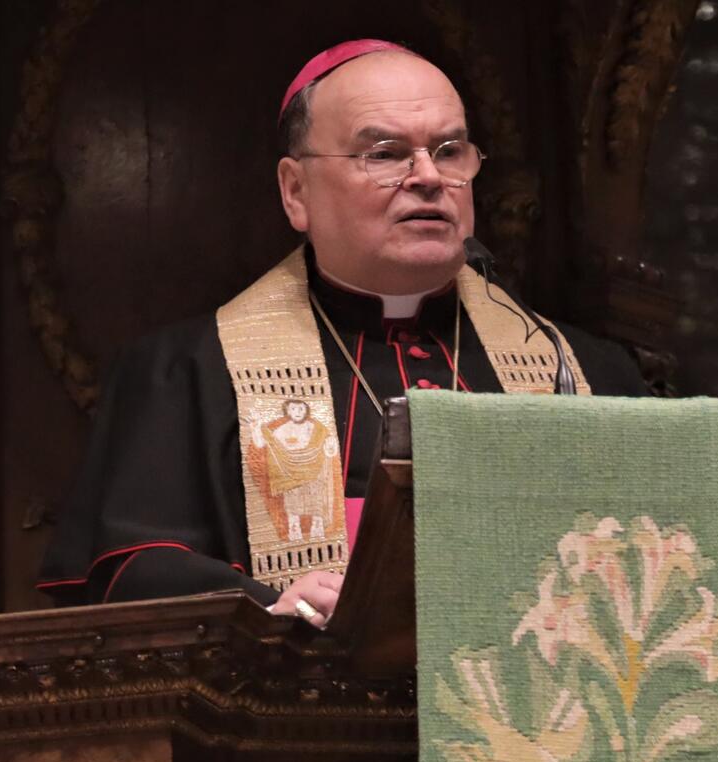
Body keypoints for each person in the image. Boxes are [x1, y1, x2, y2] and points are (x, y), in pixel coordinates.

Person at [38, 40, 647, 626]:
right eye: (384, 153)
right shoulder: (184, 374)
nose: (429, 177)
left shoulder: (588, 372)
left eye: (450, 150)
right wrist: (265, 608)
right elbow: (132, 571)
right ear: (296, 191)